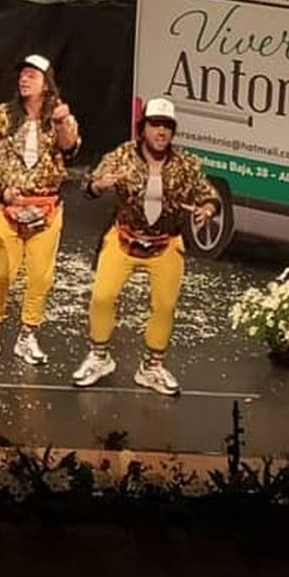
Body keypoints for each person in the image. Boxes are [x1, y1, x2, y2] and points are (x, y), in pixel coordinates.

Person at [74, 97, 219, 395]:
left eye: (167, 127)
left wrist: (208, 208)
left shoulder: (185, 164)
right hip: (125, 237)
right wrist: (98, 186)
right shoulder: (123, 156)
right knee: (102, 296)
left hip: (165, 242)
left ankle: (152, 367)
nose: (161, 132)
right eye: (155, 125)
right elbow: (89, 184)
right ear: (143, 129)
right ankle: (99, 357)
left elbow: (209, 194)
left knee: (164, 306)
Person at [0, 54, 81, 366]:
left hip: (46, 208)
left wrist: (60, 122)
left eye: (32, 75)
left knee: (40, 277)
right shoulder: (4, 114)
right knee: (0, 274)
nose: (24, 79)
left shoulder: (59, 115)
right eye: (22, 75)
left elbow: (70, 147)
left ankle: (28, 334)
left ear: (46, 83)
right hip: (9, 206)